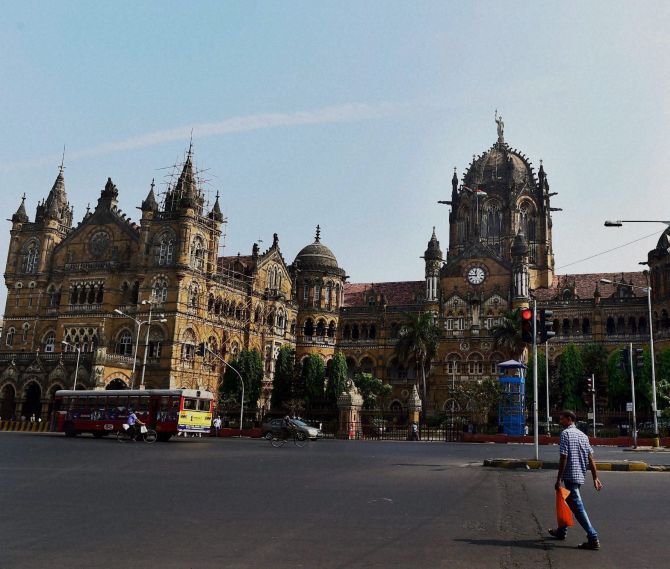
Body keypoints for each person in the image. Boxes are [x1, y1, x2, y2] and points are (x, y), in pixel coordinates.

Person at [548, 410, 603, 550]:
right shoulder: (583, 436)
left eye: (562, 419)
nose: (560, 421)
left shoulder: (565, 434)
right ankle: (561, 531)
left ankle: (593, 537)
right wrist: (595, 477)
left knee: (577, 507)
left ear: (569, 419)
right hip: (580, 476)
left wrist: (558, 478)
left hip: (570, 476)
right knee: (567, 503)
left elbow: (563, 457)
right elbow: (590, 458)